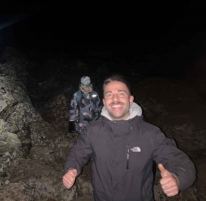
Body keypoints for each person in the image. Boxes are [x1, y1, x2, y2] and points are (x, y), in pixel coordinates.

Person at [63, 74, 196, 200]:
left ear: (131, 100)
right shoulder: (93, 130)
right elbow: (77, 153)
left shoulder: (150, 133)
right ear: (104, 101)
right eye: (110, 95)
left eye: (121, 94)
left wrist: (178, 179)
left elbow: (180, 161)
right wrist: (71, 169)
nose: (115, 99)